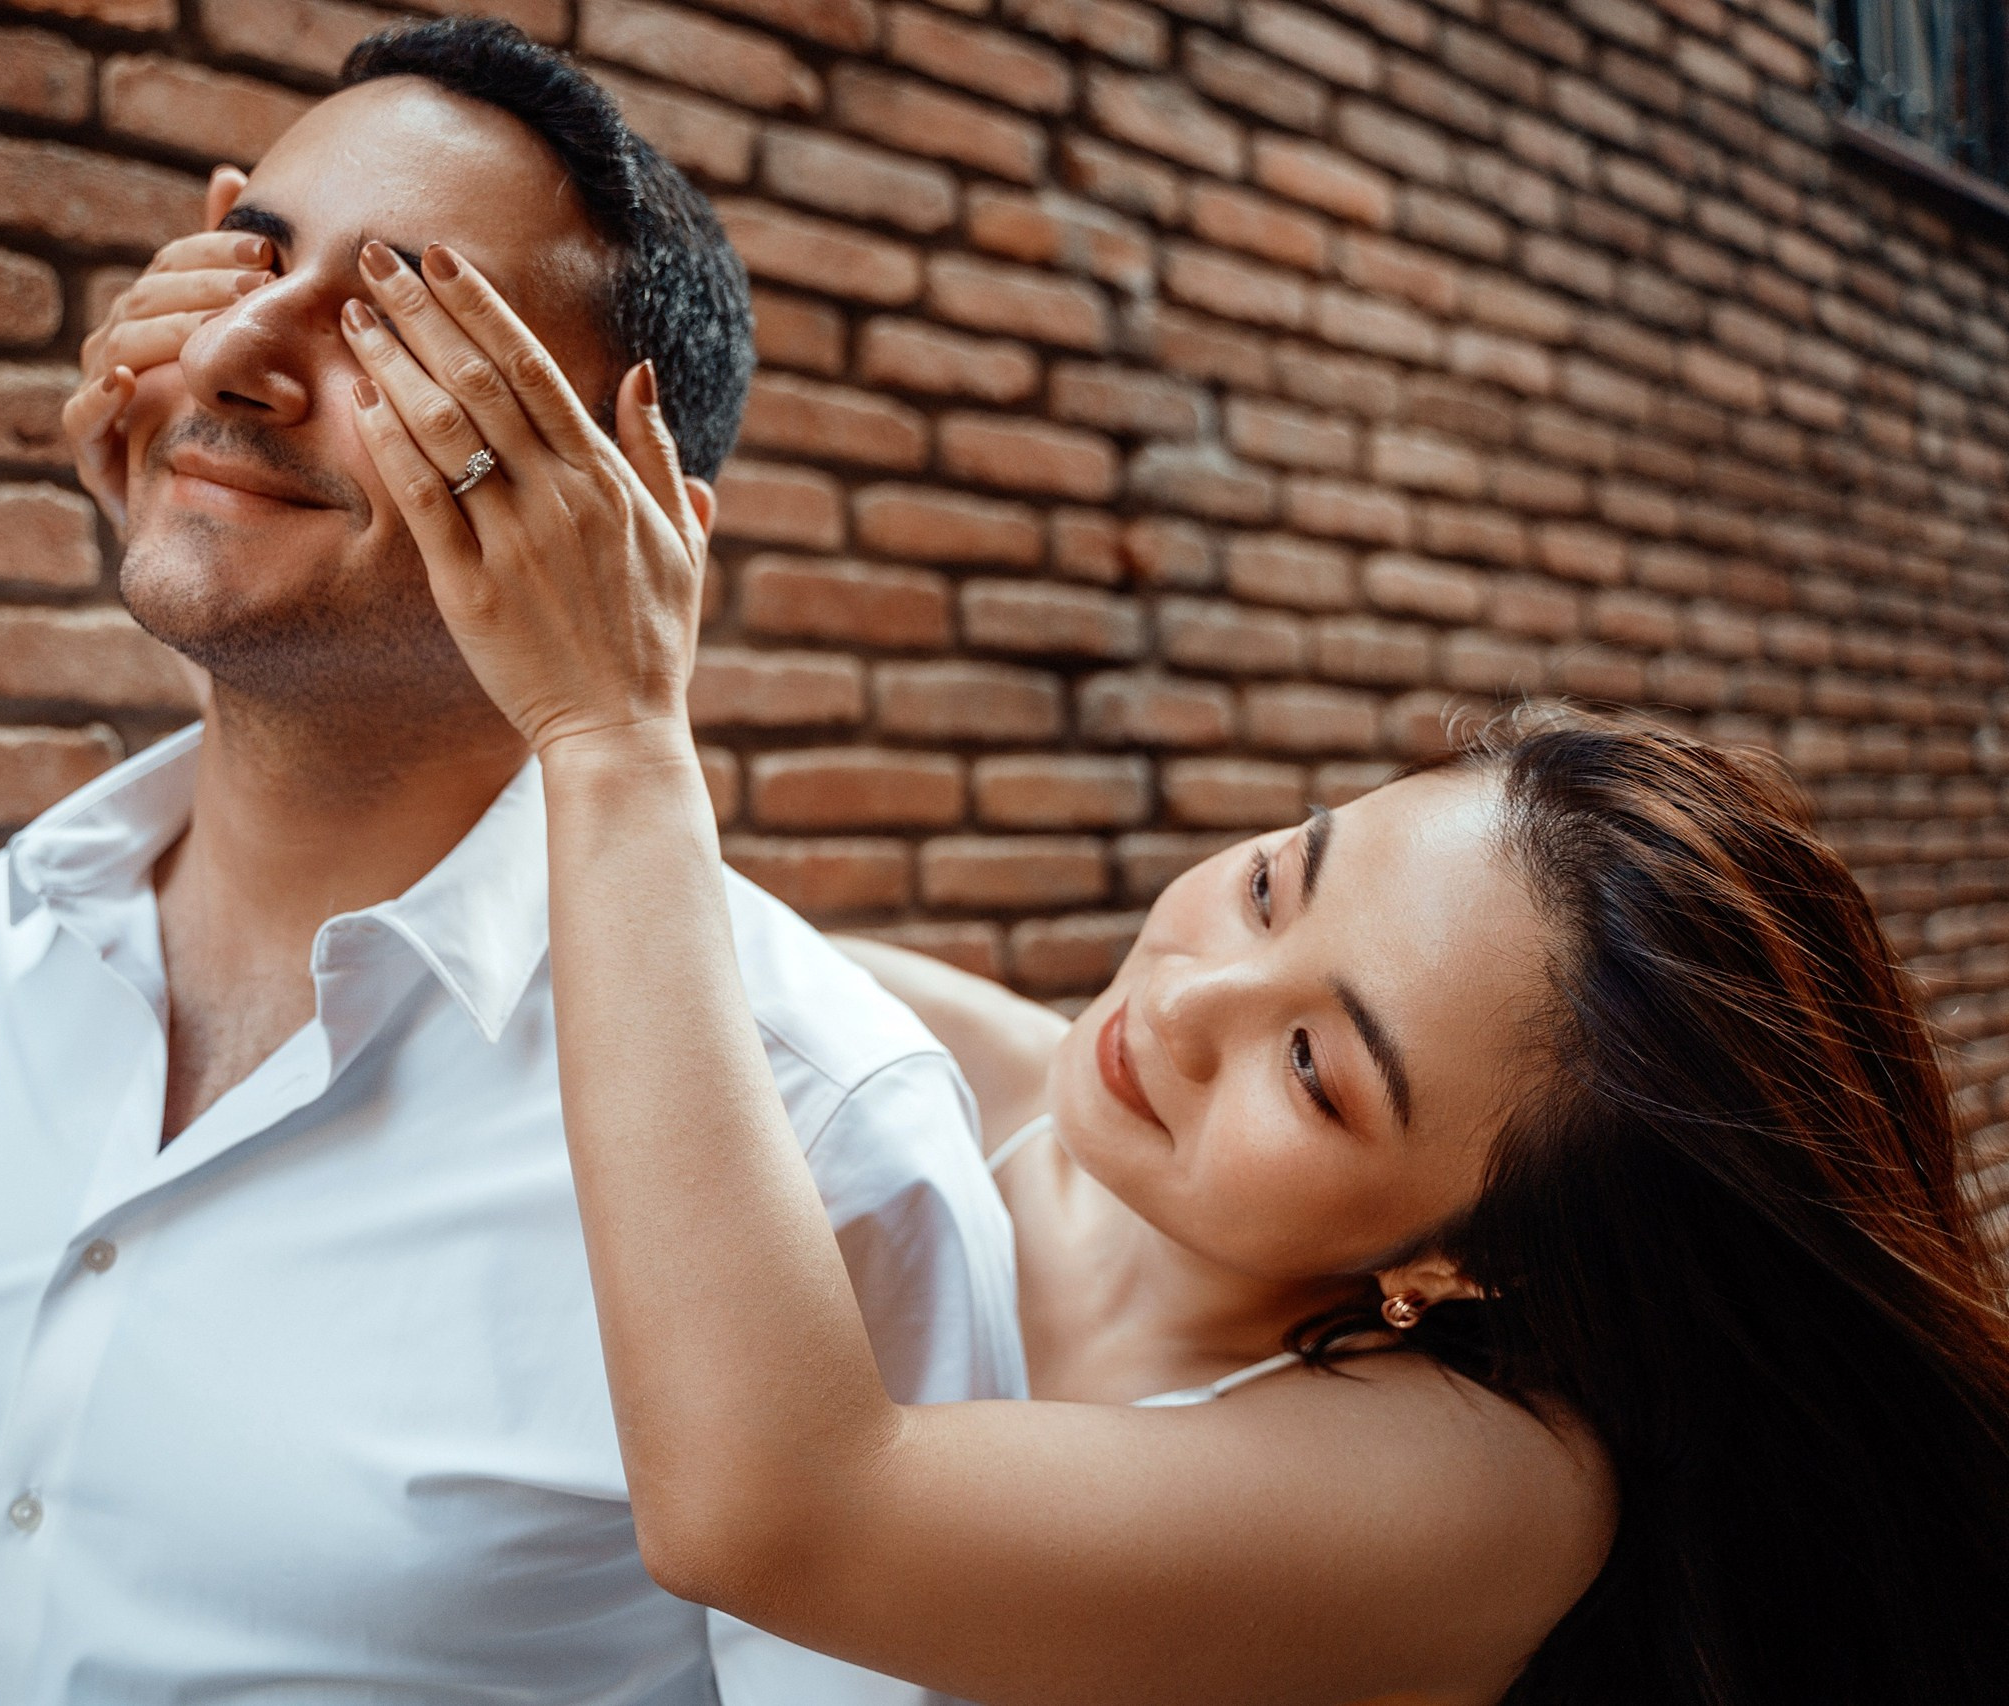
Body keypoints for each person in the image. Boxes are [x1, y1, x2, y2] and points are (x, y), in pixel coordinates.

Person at [340, 177, 2009, 1702]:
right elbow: (584, 923)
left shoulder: (1491, 1487)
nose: (1194, 994)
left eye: (1315, 1066)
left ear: (1456, 1265)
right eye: (1278, 880)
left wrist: (624, 732)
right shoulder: (959, 1082)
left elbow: (772, 1515)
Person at [0, 21, 1020, 1705]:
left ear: (637, 527)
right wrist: (209, 486)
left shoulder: (827, 1138)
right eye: (251, 263)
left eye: (399, 328)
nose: (235, 352)